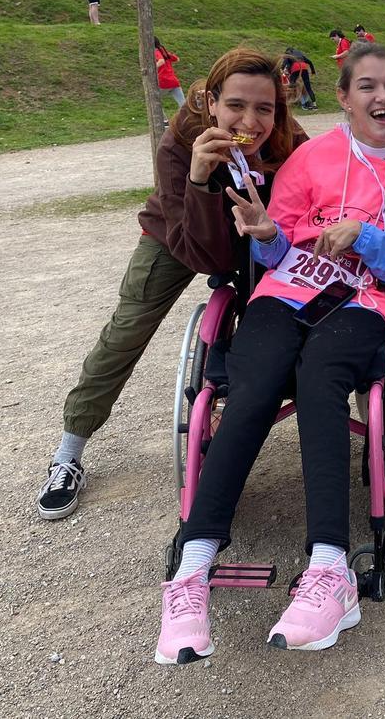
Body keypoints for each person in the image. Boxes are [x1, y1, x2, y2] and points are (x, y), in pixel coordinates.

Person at [155, 43, 385, 660]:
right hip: (287, 291)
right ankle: (193, 568)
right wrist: (267, 234)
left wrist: (365, 235)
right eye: (366, 86)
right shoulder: (312, 157)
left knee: (321, 381)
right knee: (251, 385)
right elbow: (272, 251)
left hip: (362, 301)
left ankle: (330, 569)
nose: (381, 97)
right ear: (343, 97)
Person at [36, 49, 306, 522]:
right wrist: (201, 178)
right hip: (179, 234)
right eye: (236, 106)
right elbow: (205, 255)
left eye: (265, 108)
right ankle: (68, 453)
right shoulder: (179, 141)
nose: (250, 119)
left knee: (281, 308)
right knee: (127, 329)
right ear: (210, 101)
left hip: (258, 234)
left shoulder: (288, 138)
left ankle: (235, 408)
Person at [154, 37, 186, 109]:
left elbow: (161, 61)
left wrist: (152, 67)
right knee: (184, 105)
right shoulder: (164, 53)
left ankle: (164, 120)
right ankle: (190, 119)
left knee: (153, 99)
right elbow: (177, 59)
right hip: (174, 81)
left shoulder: (155, 51)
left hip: (164, 81)